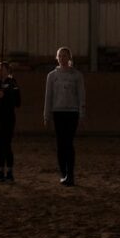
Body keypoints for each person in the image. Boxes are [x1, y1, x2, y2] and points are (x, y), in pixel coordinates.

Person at [43, 46, 86, 187]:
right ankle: (64, 172)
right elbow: (48, 97)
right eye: (60, 56)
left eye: (65, 56)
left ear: (69, 58)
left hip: (72, 112)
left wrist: (82, 114)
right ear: (57, 58)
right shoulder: (52, 76)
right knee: (61, 144)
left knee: (68, 143)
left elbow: (81, 96)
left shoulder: (77, 75)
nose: (62, 58)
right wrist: (46, 115)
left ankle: (70, 174)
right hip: (58, 112)